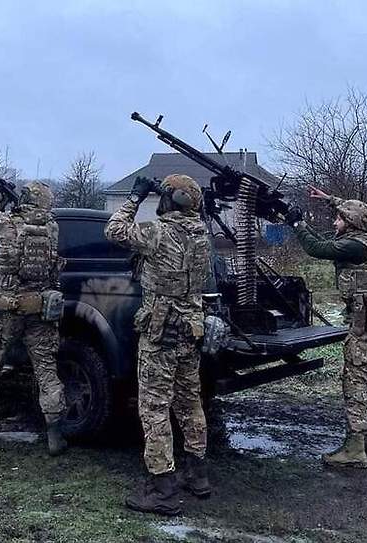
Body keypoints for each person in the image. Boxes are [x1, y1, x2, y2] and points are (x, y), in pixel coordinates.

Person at [105, 174, 212, 516]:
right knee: (189, 402)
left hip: (161, 330)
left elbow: (114, 230)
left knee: (154, 407)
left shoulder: (158, 232)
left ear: (173, 200)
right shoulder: (201, 234)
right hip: (190, 329)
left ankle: (162, 488)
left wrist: (136, 197)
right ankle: (196, 473)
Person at [285, 188, 367, 467]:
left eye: (339, 219)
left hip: (364, 325)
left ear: (353, 223)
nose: (335, 223)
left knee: (356, 381)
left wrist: (298, 223)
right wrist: (331, 198)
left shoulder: (355, 246)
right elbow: (366, 215)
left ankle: (355, 449)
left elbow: (317, 248)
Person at [0, 183, 68, 456]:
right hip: (41, 309)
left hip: (6, 308)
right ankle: (55, 436)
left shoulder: (7, 223)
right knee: (46, 371)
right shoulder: (52, 228)